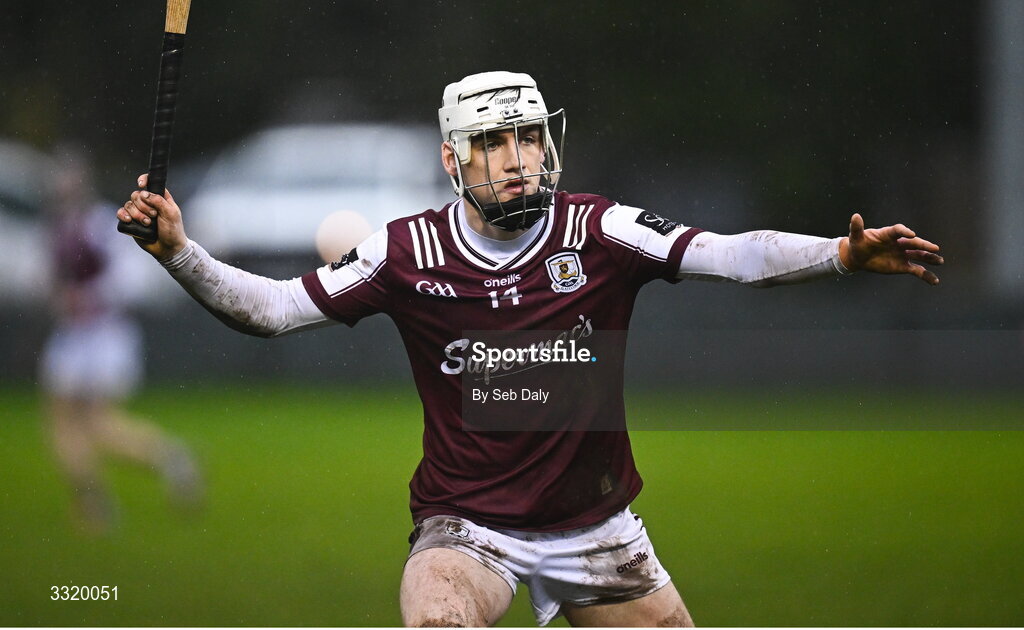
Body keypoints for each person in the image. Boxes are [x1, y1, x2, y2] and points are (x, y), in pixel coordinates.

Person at [116, 71, 942, 626]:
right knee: (435, 614)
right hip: (468, 527)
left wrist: (839, 254)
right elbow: (273, 309)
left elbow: (732, 254)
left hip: (598, 527)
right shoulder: (408, 252)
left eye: (529, 139)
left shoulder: (599, 228)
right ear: (452, 158)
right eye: (493, 145)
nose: (517, 162)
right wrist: (179, 253)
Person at [41, 148, 202, 536]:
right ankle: (94, 503)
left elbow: (129, 279)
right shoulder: (58, 226)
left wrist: (88, 298)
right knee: (63, 421)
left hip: (104, 333)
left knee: (97, 425)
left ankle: (169, 460)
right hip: (75, 334)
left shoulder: (97, 224)